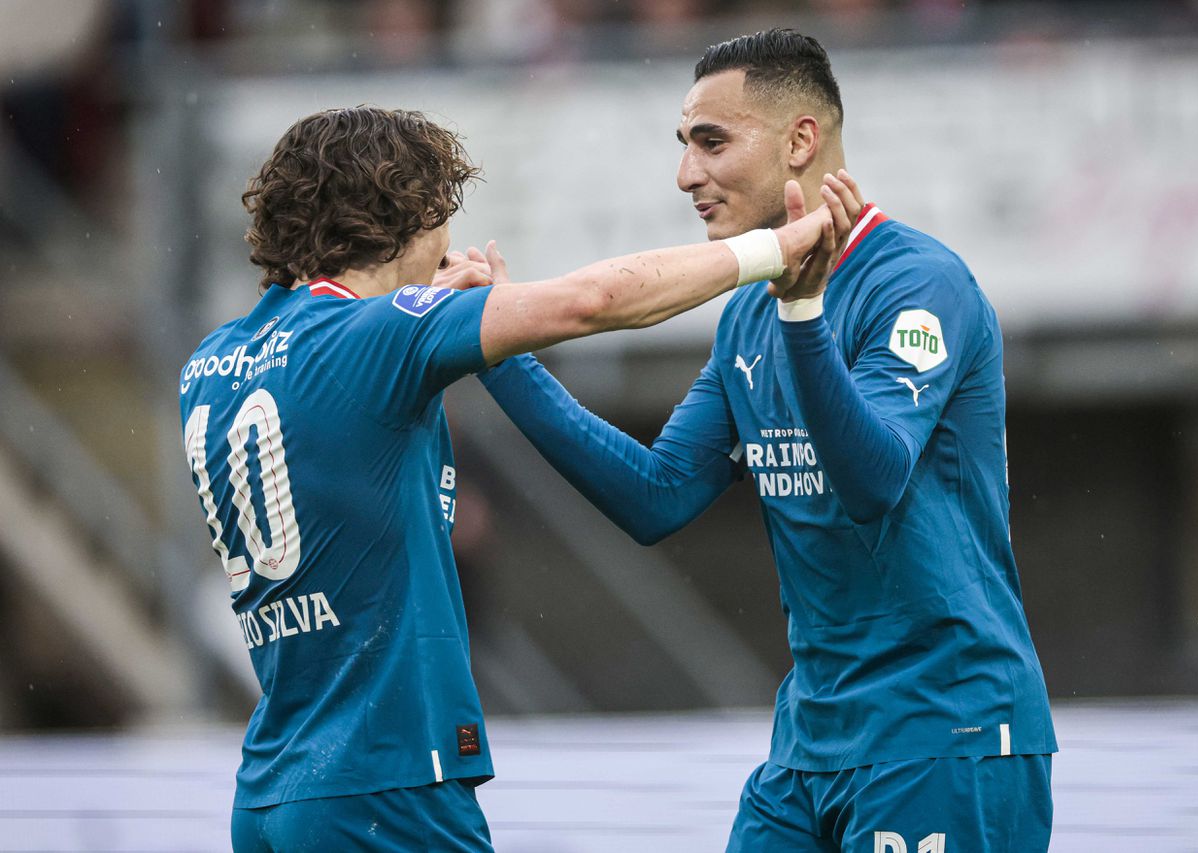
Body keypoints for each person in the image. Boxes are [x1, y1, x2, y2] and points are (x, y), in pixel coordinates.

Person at [177, 105, 857, 852]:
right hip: (387, 784)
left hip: (274, 787)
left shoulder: (211, 364)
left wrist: (448, 319)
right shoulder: (379, 335)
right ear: (408, 214)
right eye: (441, 215)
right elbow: (595, 300)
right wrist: (777, 249)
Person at [473, 30, 1058, 851]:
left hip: (945, 730)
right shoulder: (751, 309)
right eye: (683, 146)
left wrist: (804, 317)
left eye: (712, 142)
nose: (686, 174)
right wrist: (503, 360)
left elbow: (874, 481)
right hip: (812, 742)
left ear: (800, 141)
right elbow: (657, 494)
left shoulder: (919, 284)